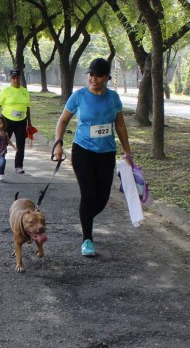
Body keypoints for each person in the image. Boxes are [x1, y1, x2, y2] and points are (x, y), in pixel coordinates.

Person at [53, 57, 133, 257]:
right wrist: (58, 144)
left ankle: (84, 216)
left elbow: (120, 126)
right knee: (88, 195)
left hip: (107, 154)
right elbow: (62, 121)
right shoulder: (78, 96)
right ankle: (87, 239)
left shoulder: (113, 98)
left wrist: (127, 151)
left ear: (106, 77)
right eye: (91, 74)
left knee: (102, 198)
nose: (93, 78)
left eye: (98, 75)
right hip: (83, 152)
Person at [0, 69, 32, 174]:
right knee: (3, 142)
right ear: (10, 79)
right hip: (7, 121)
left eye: (17, 78)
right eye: (13, 78)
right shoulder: (5, 91)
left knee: (21, 144)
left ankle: (19, 166)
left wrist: (29, 122)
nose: (16, 80)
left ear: (20, 78)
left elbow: (28, 107)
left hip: (21, 121)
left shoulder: (24, 91)